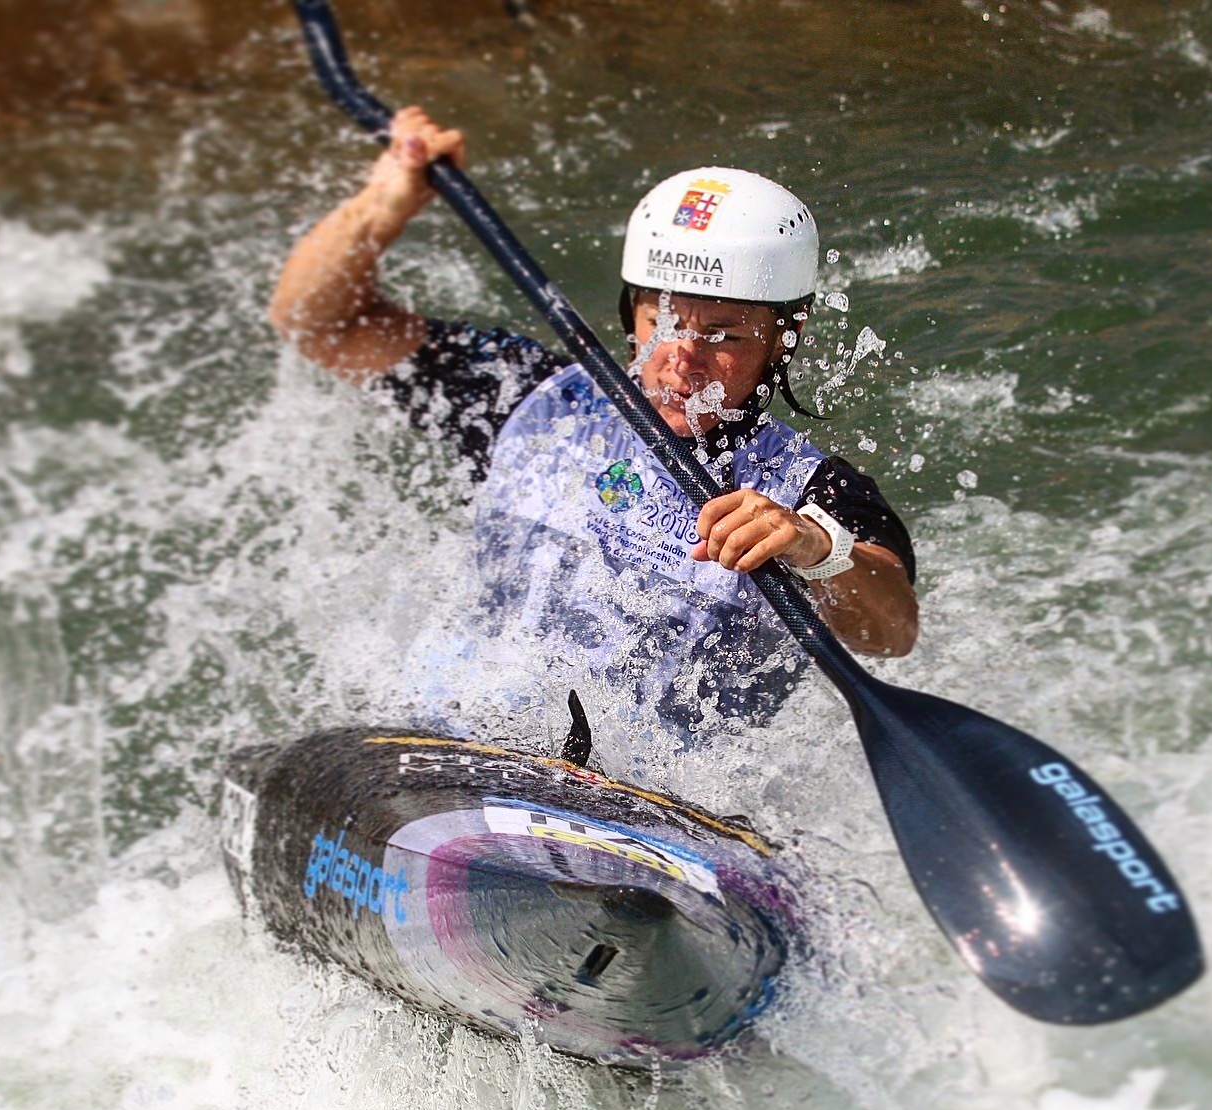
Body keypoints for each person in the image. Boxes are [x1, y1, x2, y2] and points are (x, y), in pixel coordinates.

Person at [271, 107, 918, 744]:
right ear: (629, 311)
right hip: (453, 749)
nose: (680, 360)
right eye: (660, 324)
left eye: (722, 334)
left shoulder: (812, 493)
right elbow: (317, 322)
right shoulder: (527, 398)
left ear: (783, 340)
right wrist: (381, 207)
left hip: (653, 807)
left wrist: (813, 549)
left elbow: (890, 633)